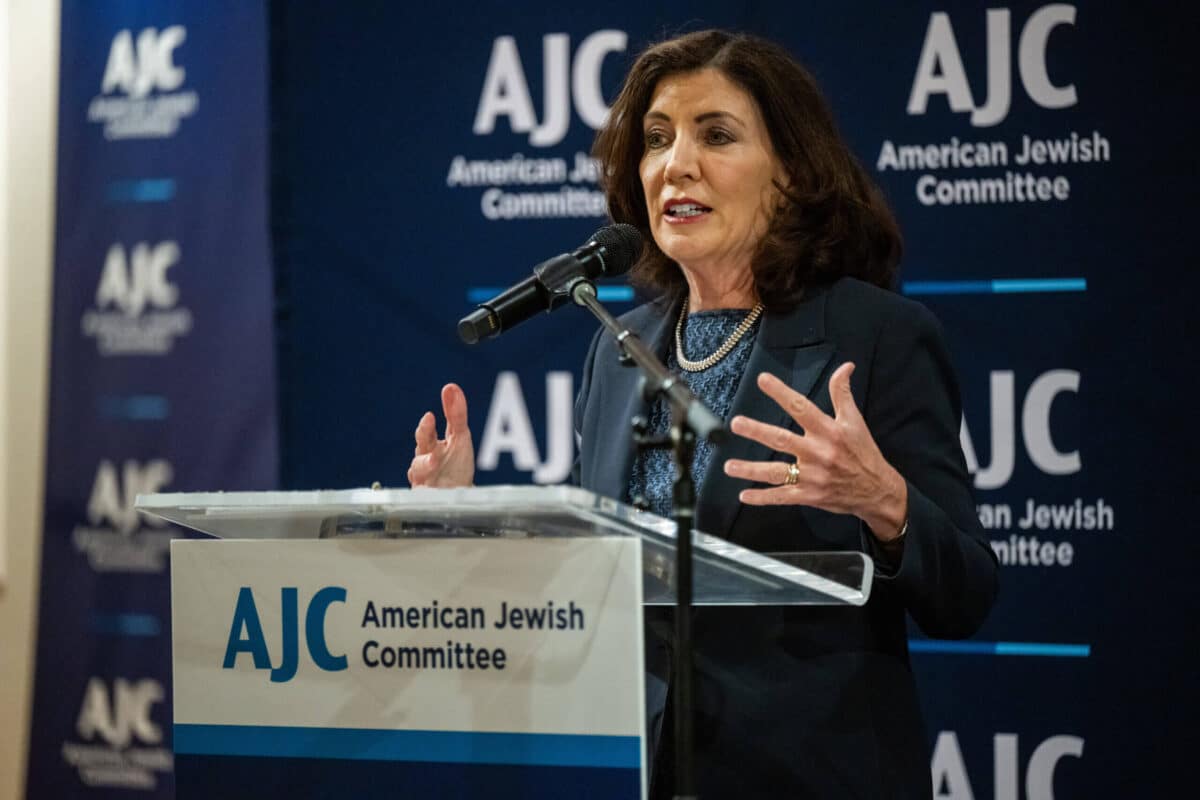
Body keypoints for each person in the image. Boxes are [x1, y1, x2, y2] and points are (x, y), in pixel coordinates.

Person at [409, 29, 998, 799]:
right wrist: (470, 527)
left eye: (715, 135)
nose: (674, 163)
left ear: (791, 172)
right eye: (656, 139)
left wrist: (883, 501)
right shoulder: (621, 350)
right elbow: (592, 577)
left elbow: (968, 595)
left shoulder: (876, 335)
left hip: (812, 773)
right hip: (638, 768)